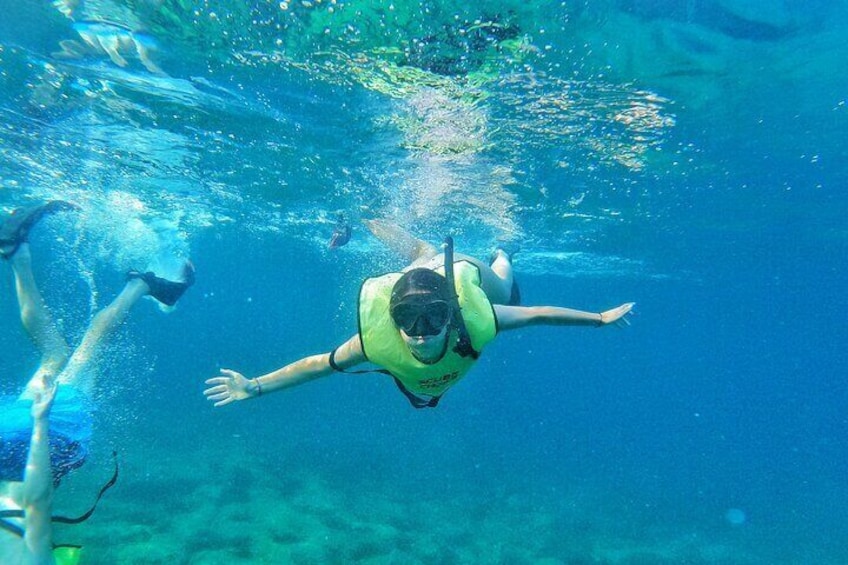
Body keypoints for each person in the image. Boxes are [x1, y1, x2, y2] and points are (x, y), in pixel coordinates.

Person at [205, 220, 633, 410]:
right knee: (419, 255)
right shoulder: (376, 341)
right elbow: (319, 364)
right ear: (392, 317)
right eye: (406, 320)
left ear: (452, 314)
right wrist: (254, 387)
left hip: (457, 273)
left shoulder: (478, 316)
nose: (419, 333)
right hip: (421, 278)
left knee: (504, 281)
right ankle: (368, 214)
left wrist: (598, 318)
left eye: (431, 320)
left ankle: (503, 248)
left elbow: (536, 313)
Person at [0, 202, 194, 563]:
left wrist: (41, 423)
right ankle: (16, 256)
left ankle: (143, 284)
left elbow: (36, 500)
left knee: (92, 345)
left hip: (44, 439)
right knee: (54, 355)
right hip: (4, 439)